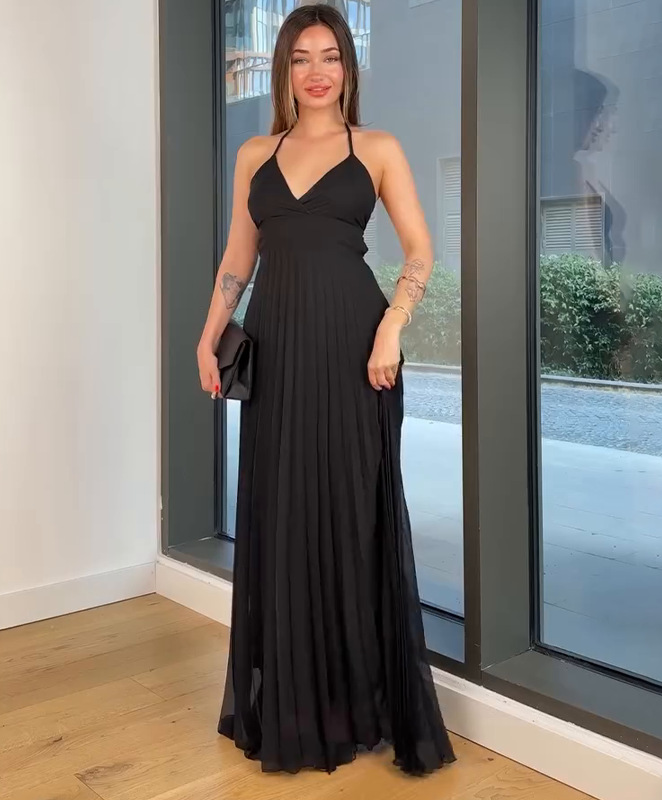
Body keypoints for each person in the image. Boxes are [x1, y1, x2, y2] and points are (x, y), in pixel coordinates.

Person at [196, 3, 456, 777]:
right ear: (284, 69)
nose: (317, 71)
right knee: (283, 515)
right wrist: (208, 335)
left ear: (348, 67)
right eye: (302, 57)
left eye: (331, 56)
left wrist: (392, 328)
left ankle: (356, 703)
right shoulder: (255, 154)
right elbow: (237, 259)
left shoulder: (376, 148)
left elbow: (420, 250)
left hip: (354, 348)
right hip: (276, 350)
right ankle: (294, 707)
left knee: (349, 515)